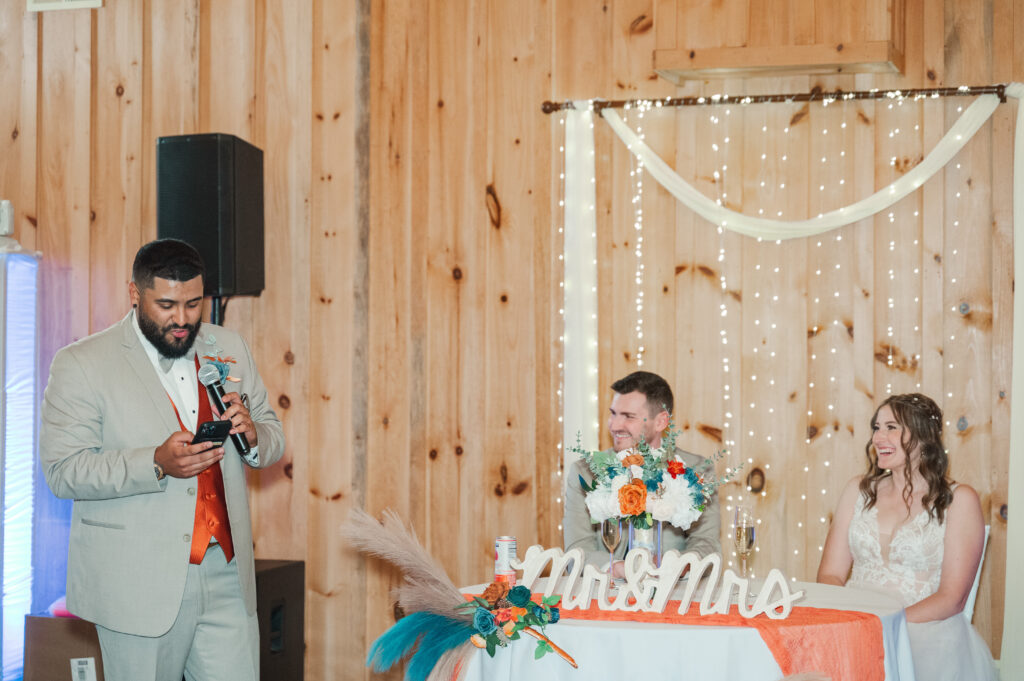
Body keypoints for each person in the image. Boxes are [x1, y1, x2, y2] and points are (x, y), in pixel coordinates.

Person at [40, 239, 285, 681]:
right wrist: (154, 462)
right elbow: (64, 471)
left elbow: (271, 435)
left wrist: (253, 434)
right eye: (167, 304)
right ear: (135, 294)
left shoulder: (228, 345)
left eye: (194, 303)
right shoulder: (81, 364)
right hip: (136, 581)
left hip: (227, 574)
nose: (183, 319)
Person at [816, 393, 996, 680]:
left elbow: (952, 598)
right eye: (876, 427)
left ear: (924, 436)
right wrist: (853, 620)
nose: (879, 437)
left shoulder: (959, 500)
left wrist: (885, 625)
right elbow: (830, 574)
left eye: (892, 427)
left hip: (923, 633)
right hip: (855, 624)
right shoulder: (859, 491)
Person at [563, 370, 721, 574]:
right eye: (613, 413)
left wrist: (675, 565)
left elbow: (707, 545)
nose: (615, 425)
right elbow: (576, 552)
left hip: (673, 594)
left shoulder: (697, 470)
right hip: (606, 593)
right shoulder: (585, 472)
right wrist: (616, 569)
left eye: (628, 416)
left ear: (661, 422)